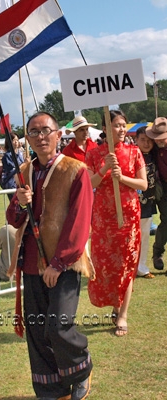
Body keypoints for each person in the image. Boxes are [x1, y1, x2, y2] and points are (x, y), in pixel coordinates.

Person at [6, 112, 94, 400]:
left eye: (46, 130)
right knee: (37, 331)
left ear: (58, 135)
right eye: (34, 132)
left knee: (58, 325)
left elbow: (79, 222)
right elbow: (14, 218)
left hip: (65, 263)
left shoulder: (76, 170)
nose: (41, 136)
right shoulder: (25, 170)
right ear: (28, 138)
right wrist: (21, 203)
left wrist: (58, 263)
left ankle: (81, 369)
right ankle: (51, 390)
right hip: (31, 261)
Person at [85, 109, 147, 337]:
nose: (121, 129)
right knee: (106, 265)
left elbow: (143, 184)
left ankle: (123, 315)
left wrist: (122, 178)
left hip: (128, 216)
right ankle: (115, 303)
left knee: (127, 264)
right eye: (116, 125)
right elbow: (88, 183)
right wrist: (103, 169)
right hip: (103, 216)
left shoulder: (134, 151)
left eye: (123, 125)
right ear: (105, 128)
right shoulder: (94, 154)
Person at [135, 126, 156, 278]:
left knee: (144, 237)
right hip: (132, 203)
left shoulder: (153, 155)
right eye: (143, 140)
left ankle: (141, 267)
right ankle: (131, 267)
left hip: (148, 202)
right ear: (136, 140)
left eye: (149, 140)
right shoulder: (133, 155)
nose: (146, 143)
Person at [146, 117, 167, 271]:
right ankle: (157, 254)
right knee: (166, 221)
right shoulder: (151, 148)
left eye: (162, 138)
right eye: (156, 138)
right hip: (162, 188)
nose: (158, 141)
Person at [0, 132, 24, 200]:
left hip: (21, 181)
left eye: (17, 140)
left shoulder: (20, 153)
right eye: (14, 140)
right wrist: (24, 165)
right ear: (9, 142)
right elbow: (12, 169)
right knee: (15, 204)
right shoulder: (7, 155)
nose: (16, 142)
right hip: (11, 182)